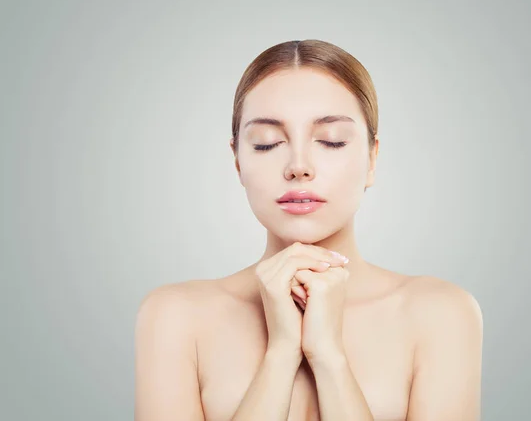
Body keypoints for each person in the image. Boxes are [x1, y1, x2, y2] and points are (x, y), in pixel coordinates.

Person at [134, 39, 483, 421]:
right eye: (267, 144)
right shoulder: (175, 316)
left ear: (371, 158)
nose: (298, 166)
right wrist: (281, 352)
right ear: (237, 163)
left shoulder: (440, 313)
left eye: (331, 141)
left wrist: (329, 356)